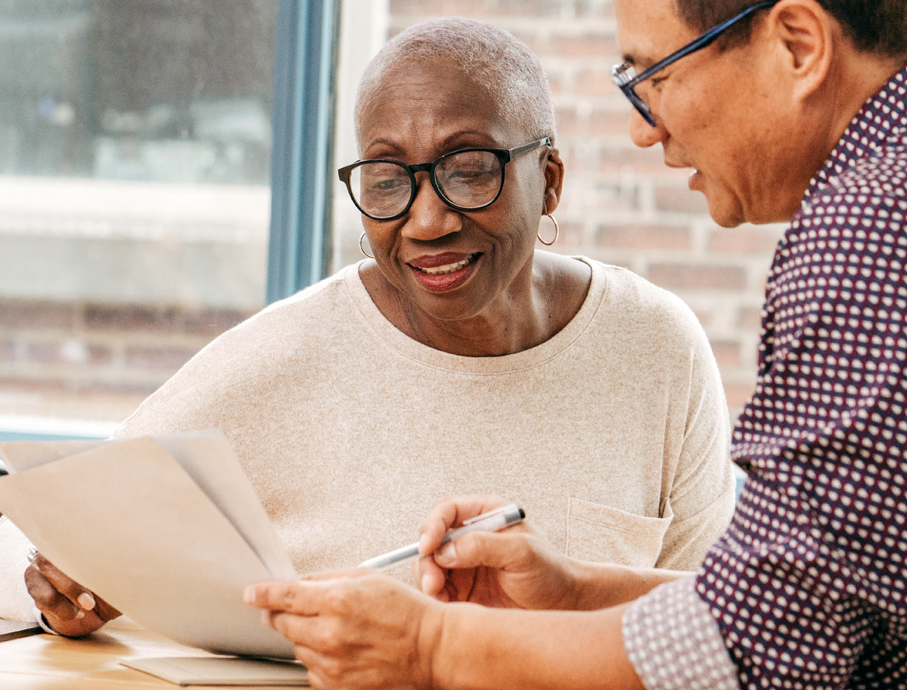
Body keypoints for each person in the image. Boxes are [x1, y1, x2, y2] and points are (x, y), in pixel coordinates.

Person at [0, 18, 737, 639]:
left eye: (469, 168)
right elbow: (23, 540)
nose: (427, 219)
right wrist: (62, 587)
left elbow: (718, 631)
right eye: (386, 179)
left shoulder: (656, 349)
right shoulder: (283, 357)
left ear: (551, 181)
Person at [245, 0, 907, 687]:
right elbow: (812, 605)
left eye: (657, 76)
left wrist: (431, 645)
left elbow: (762, 647)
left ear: (798, 46)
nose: (644, 128)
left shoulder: (864, 235)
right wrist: (572, 594)